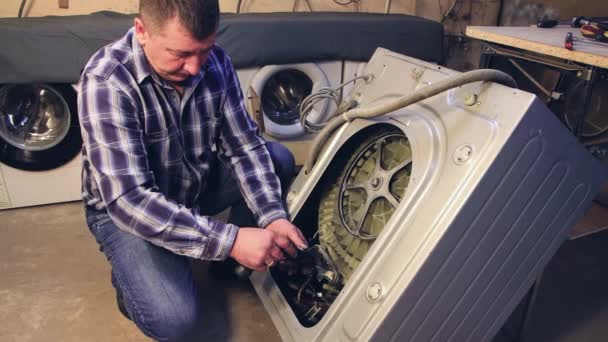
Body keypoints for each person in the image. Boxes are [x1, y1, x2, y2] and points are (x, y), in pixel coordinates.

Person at [78, 0, 308, 340]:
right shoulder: (106, 80)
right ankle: (130, 278)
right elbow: (130, 199)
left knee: (277, 158)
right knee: (174, 320)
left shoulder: (215, 63)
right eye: (180, 53)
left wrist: (272, 215)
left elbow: (244, 146)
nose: (196, 67)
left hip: (192, 185)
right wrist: (230, 240)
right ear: (142, 31)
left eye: (206, 49)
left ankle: (232, 264)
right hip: (125, 211)